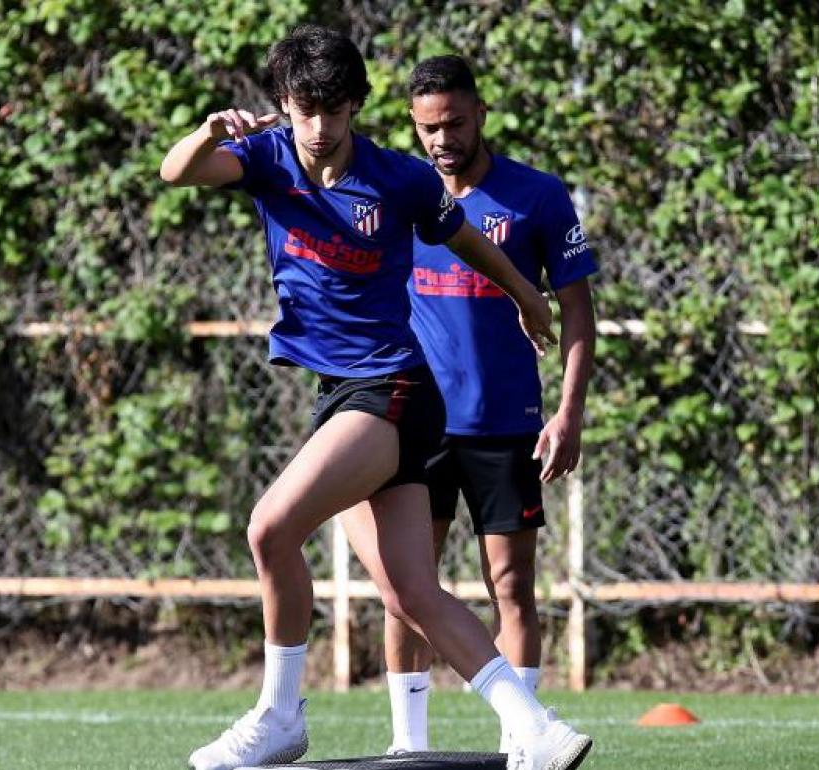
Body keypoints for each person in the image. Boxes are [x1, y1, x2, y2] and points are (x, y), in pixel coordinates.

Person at [159, 24, 593, 770]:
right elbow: (177, 174)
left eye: (333, 111)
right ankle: (536, 728)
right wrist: (206, 132)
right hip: (345, 391)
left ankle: (279, 715)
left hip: (390, 389)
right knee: (409, 590)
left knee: (269, 528)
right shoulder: (265, 159)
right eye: (303, 111)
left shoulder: (399, 178)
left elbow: (463, 236)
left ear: (357, 104)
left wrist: (526, 292)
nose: (319, 130)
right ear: (282, 107)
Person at [338, 55, 597, 755]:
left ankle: (526, 741)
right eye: (428, 127)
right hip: (414, 420)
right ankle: (408, 744)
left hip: (506, 421)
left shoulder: (536, 196)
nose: (442, 139)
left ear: (481, 113)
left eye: (453, 122)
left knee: (510, 584)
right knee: (406, 582)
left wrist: (568, 412)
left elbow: (577, 309)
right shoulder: (398, 192)